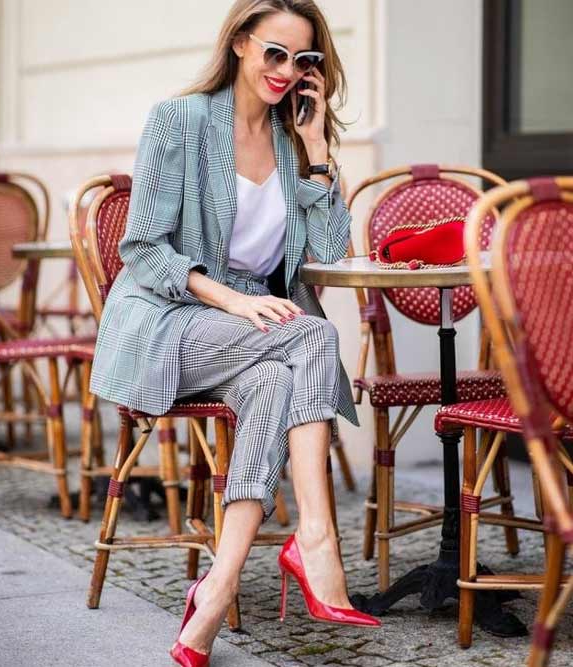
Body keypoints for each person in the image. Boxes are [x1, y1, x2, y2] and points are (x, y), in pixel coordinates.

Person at [89, 1, 380, 664]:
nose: (283, 70)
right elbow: (143, 247)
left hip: (252, 332)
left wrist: (316, 151)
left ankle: (214, 593)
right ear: (243, 44)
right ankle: (314, 538)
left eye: (300, 59)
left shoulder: (289, 138)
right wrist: (226, 297)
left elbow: (329, 253)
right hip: (169, 318)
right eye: (273, 52)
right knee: (309, 336)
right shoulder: (180, 120)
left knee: (278, 374)